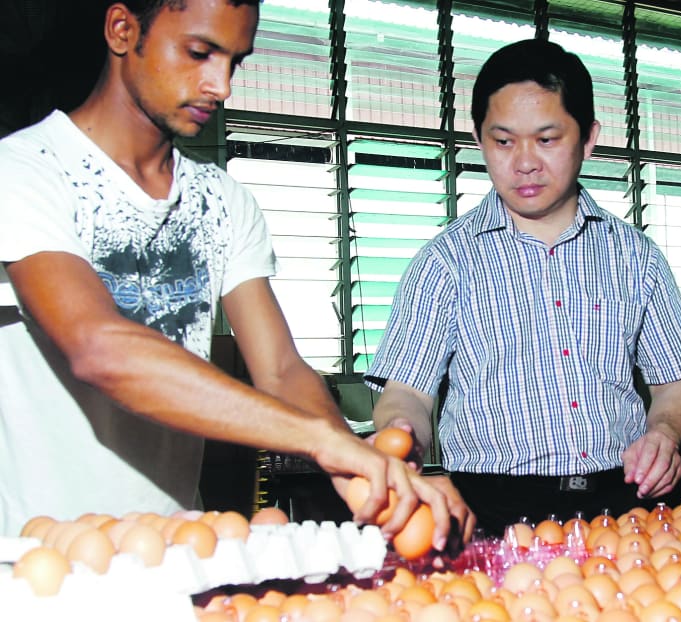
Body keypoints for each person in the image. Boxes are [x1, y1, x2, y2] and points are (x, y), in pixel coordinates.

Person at [0, 0, 474, 546]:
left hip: (177, 550)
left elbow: (280, 371)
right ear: (123, 30)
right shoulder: (27, 170)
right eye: (199, 53)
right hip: (35, 553)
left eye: (235, 61)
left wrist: (356, 463)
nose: (221, 86)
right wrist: (321, 440)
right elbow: (99, 348)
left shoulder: (222, 200)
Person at [365, 38, 681, 535]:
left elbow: (675, 383)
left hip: (622, 501)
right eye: (503, 141)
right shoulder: (445, 262)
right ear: (478, 139)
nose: (524, 162)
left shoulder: (635, 256)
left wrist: (664, 433)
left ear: (587, 139)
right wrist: (402, 434)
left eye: (547, 139)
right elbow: (407, 395)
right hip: (491, 508)